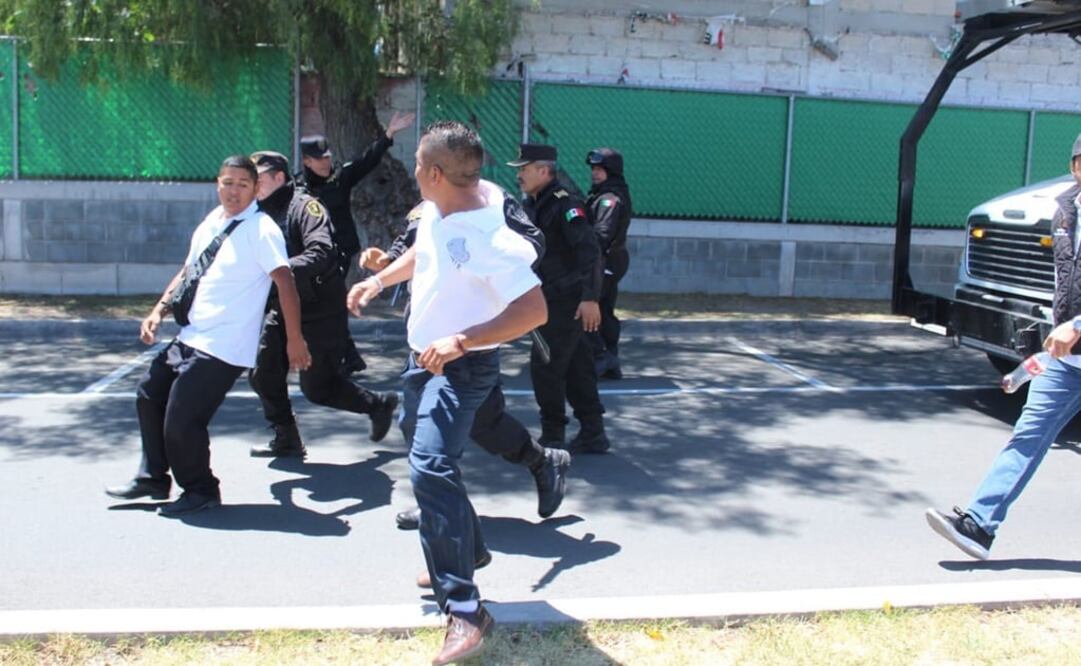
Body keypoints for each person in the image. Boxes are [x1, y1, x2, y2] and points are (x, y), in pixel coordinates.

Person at [347, 121, 547, 665]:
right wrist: (380, 279)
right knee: (422, 452)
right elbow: (427, 251)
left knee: (430, 467)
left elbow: (533, 310)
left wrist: (463, 340)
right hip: (422, 360)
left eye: (417, 163)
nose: (412, 170)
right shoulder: (444, 207)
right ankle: (468, 548)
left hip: (461, 366)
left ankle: (464, 609)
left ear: (434, 173)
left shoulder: (489, 237)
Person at [105, 155, 311, 516]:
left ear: (256, 189)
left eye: (242, 184)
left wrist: (295, 339)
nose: (233, 191)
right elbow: (189, 272)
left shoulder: (261, 229)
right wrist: (158, 310)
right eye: (227, 183)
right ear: (218, 184)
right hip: (192, 335)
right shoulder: (213, 220)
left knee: (182, 419)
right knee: (149, 394)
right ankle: (153, 477)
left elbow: (286, 283)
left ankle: (201, 489)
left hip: (224, 345)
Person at [361, 203, 571, 531]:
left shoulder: (488, 203)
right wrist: (384, 268)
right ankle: (438, 503)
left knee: (476, 426)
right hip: (427, 340)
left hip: (470, 343)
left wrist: (489, 276)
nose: (419, 177)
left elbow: (530, 246)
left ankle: (450, 509)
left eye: (424, 173)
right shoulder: (427, 208)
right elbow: (416, 250)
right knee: (420, 423)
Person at [926, 133, 1081, 560]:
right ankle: (979, 526)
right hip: (1068, 358)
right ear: (1074, 166)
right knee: (1027, 437)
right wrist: (1047, 342)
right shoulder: (1065, 211)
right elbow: (1064, 283)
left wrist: (1077, 326)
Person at [247, 151, 399, 458]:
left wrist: (279, 269)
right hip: (284, 306)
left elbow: (320, 251)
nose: (254, 186)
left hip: (321, 309)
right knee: (263, 373)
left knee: (318, 388)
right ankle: (286, 438)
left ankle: (377, 405)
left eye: (259, 179)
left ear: (279, 177)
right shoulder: (255, 214)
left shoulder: (305, 207)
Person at [298, 111, 416, 376]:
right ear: (307, 161)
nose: (326, 163)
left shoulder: (339, 178)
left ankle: (344, 357)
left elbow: (366, 161)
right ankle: (346, 356)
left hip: (340, 255)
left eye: (327, 157)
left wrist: (389, 134)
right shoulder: (300, 189)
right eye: (319, 159)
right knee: (327, 307)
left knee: (330, 305)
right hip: (313, 257)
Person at [509, 143, 610, 453]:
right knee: (577, 367)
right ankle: (593, 431)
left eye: (524, 169)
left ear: (544, 171)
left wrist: (590, 298)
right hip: (549, 298)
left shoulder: (565, 204)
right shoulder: (534, 203)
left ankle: (553, 434)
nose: (519, 175)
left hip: (565, 300)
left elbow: (590, 251)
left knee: (545, 365)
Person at [584, 147, 633, 380]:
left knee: (585, 309)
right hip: (611, 261)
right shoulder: (606, 194)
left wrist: (581, 249)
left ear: (611, 171)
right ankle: (610, 361)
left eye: (600, 169)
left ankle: (601, 355)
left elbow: (601, 234)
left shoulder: (609, 200)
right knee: (604, 311)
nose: (594, 173)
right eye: (593, 169)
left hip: (604, 262)